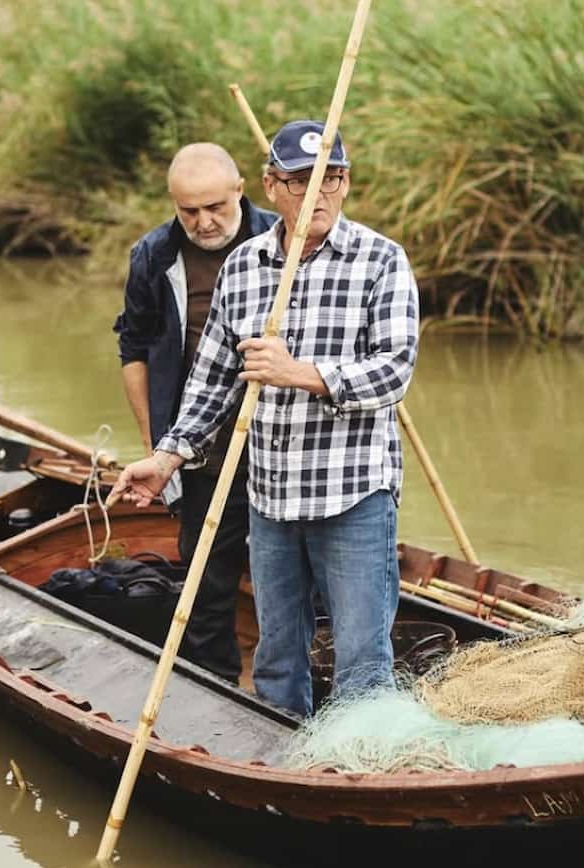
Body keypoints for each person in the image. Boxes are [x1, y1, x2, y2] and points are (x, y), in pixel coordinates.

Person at [110, 120, 420, 716]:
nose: (318, 195)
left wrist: (300, 373)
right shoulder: (244, 267)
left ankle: (358, 762)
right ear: (272, 186)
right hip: (271, 499)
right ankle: (279, 748)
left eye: (331, 179)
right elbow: (210, 384)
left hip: (353, 495)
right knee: (276, 660)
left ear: (347, 183)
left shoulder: (381, 260)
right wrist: (166, 456)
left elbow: (394, 373)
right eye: (300, 181)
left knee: (362, 660)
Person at [113, 142, 278, 684]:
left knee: (296, 570)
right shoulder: (155, 255)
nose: (204, 222)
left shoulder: (284, 239)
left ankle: (295, 685)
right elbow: (134, 348)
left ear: (241, 191)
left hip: (284, 445)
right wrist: (157, 446)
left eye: (215, 207)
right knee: (207, 575)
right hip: (200, 446)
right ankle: (215, 686)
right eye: (189, 211)